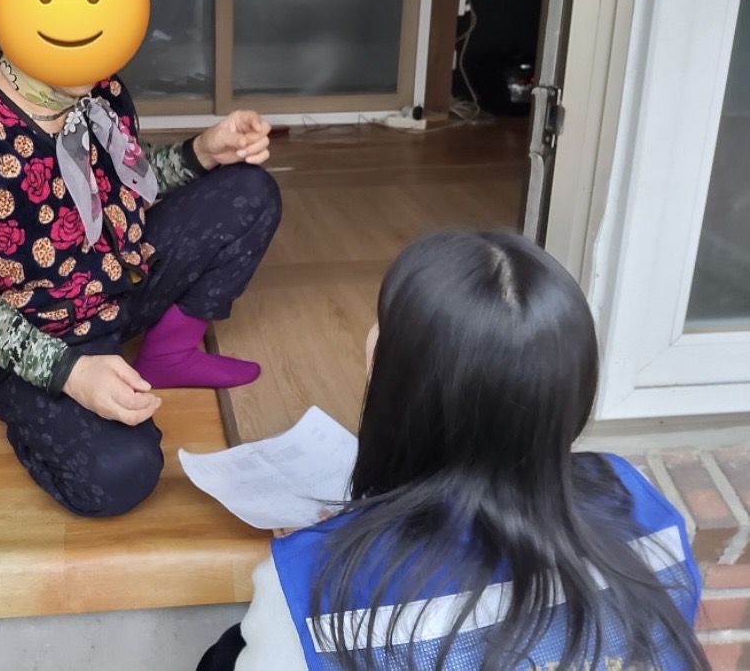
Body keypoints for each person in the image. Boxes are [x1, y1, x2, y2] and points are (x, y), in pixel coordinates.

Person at [0, 0, 281, 519]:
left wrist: (203, 152)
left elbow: (129, 184)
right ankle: (33, 416)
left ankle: (169, 353)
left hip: (115, 283)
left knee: (250, 191)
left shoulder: (100, 85)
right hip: (34, 334)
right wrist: (71, 375)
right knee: (121, 476)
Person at [200, 231, 707, 671]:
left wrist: (326, 548)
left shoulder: (315, 584)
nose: (371, 336)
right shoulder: (634, 500)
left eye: (383, 323)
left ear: (404, 386)